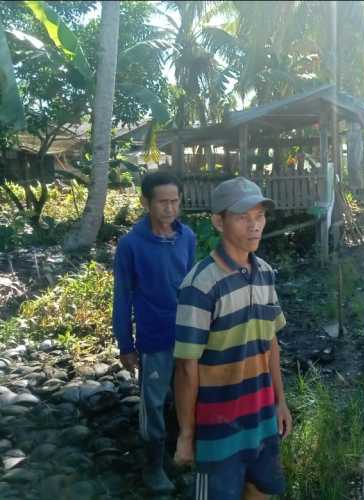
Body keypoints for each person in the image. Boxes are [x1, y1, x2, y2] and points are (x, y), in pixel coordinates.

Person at [172, 177, 292, 500]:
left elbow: (271, 344)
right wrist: (186, 434)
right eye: (243, 217)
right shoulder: (200, 284)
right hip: (217, 425)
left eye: (259, 216)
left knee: (261, 490)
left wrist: (280, 402)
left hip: (263, 417)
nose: (255, 226)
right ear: (218, 221)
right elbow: (186, 366)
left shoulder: (265, 272)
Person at [112, 171, 196, 493]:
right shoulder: (131, 245)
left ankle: (182, 454)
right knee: (154, 402)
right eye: (163, 202)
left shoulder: (186, 237)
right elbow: (122, 296)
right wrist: (126, 344)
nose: (170, 209)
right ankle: (153, 467)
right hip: (153, 337)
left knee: (187, 396)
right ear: (146, 202)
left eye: (175, 202)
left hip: (187, 336)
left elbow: (192, 286)